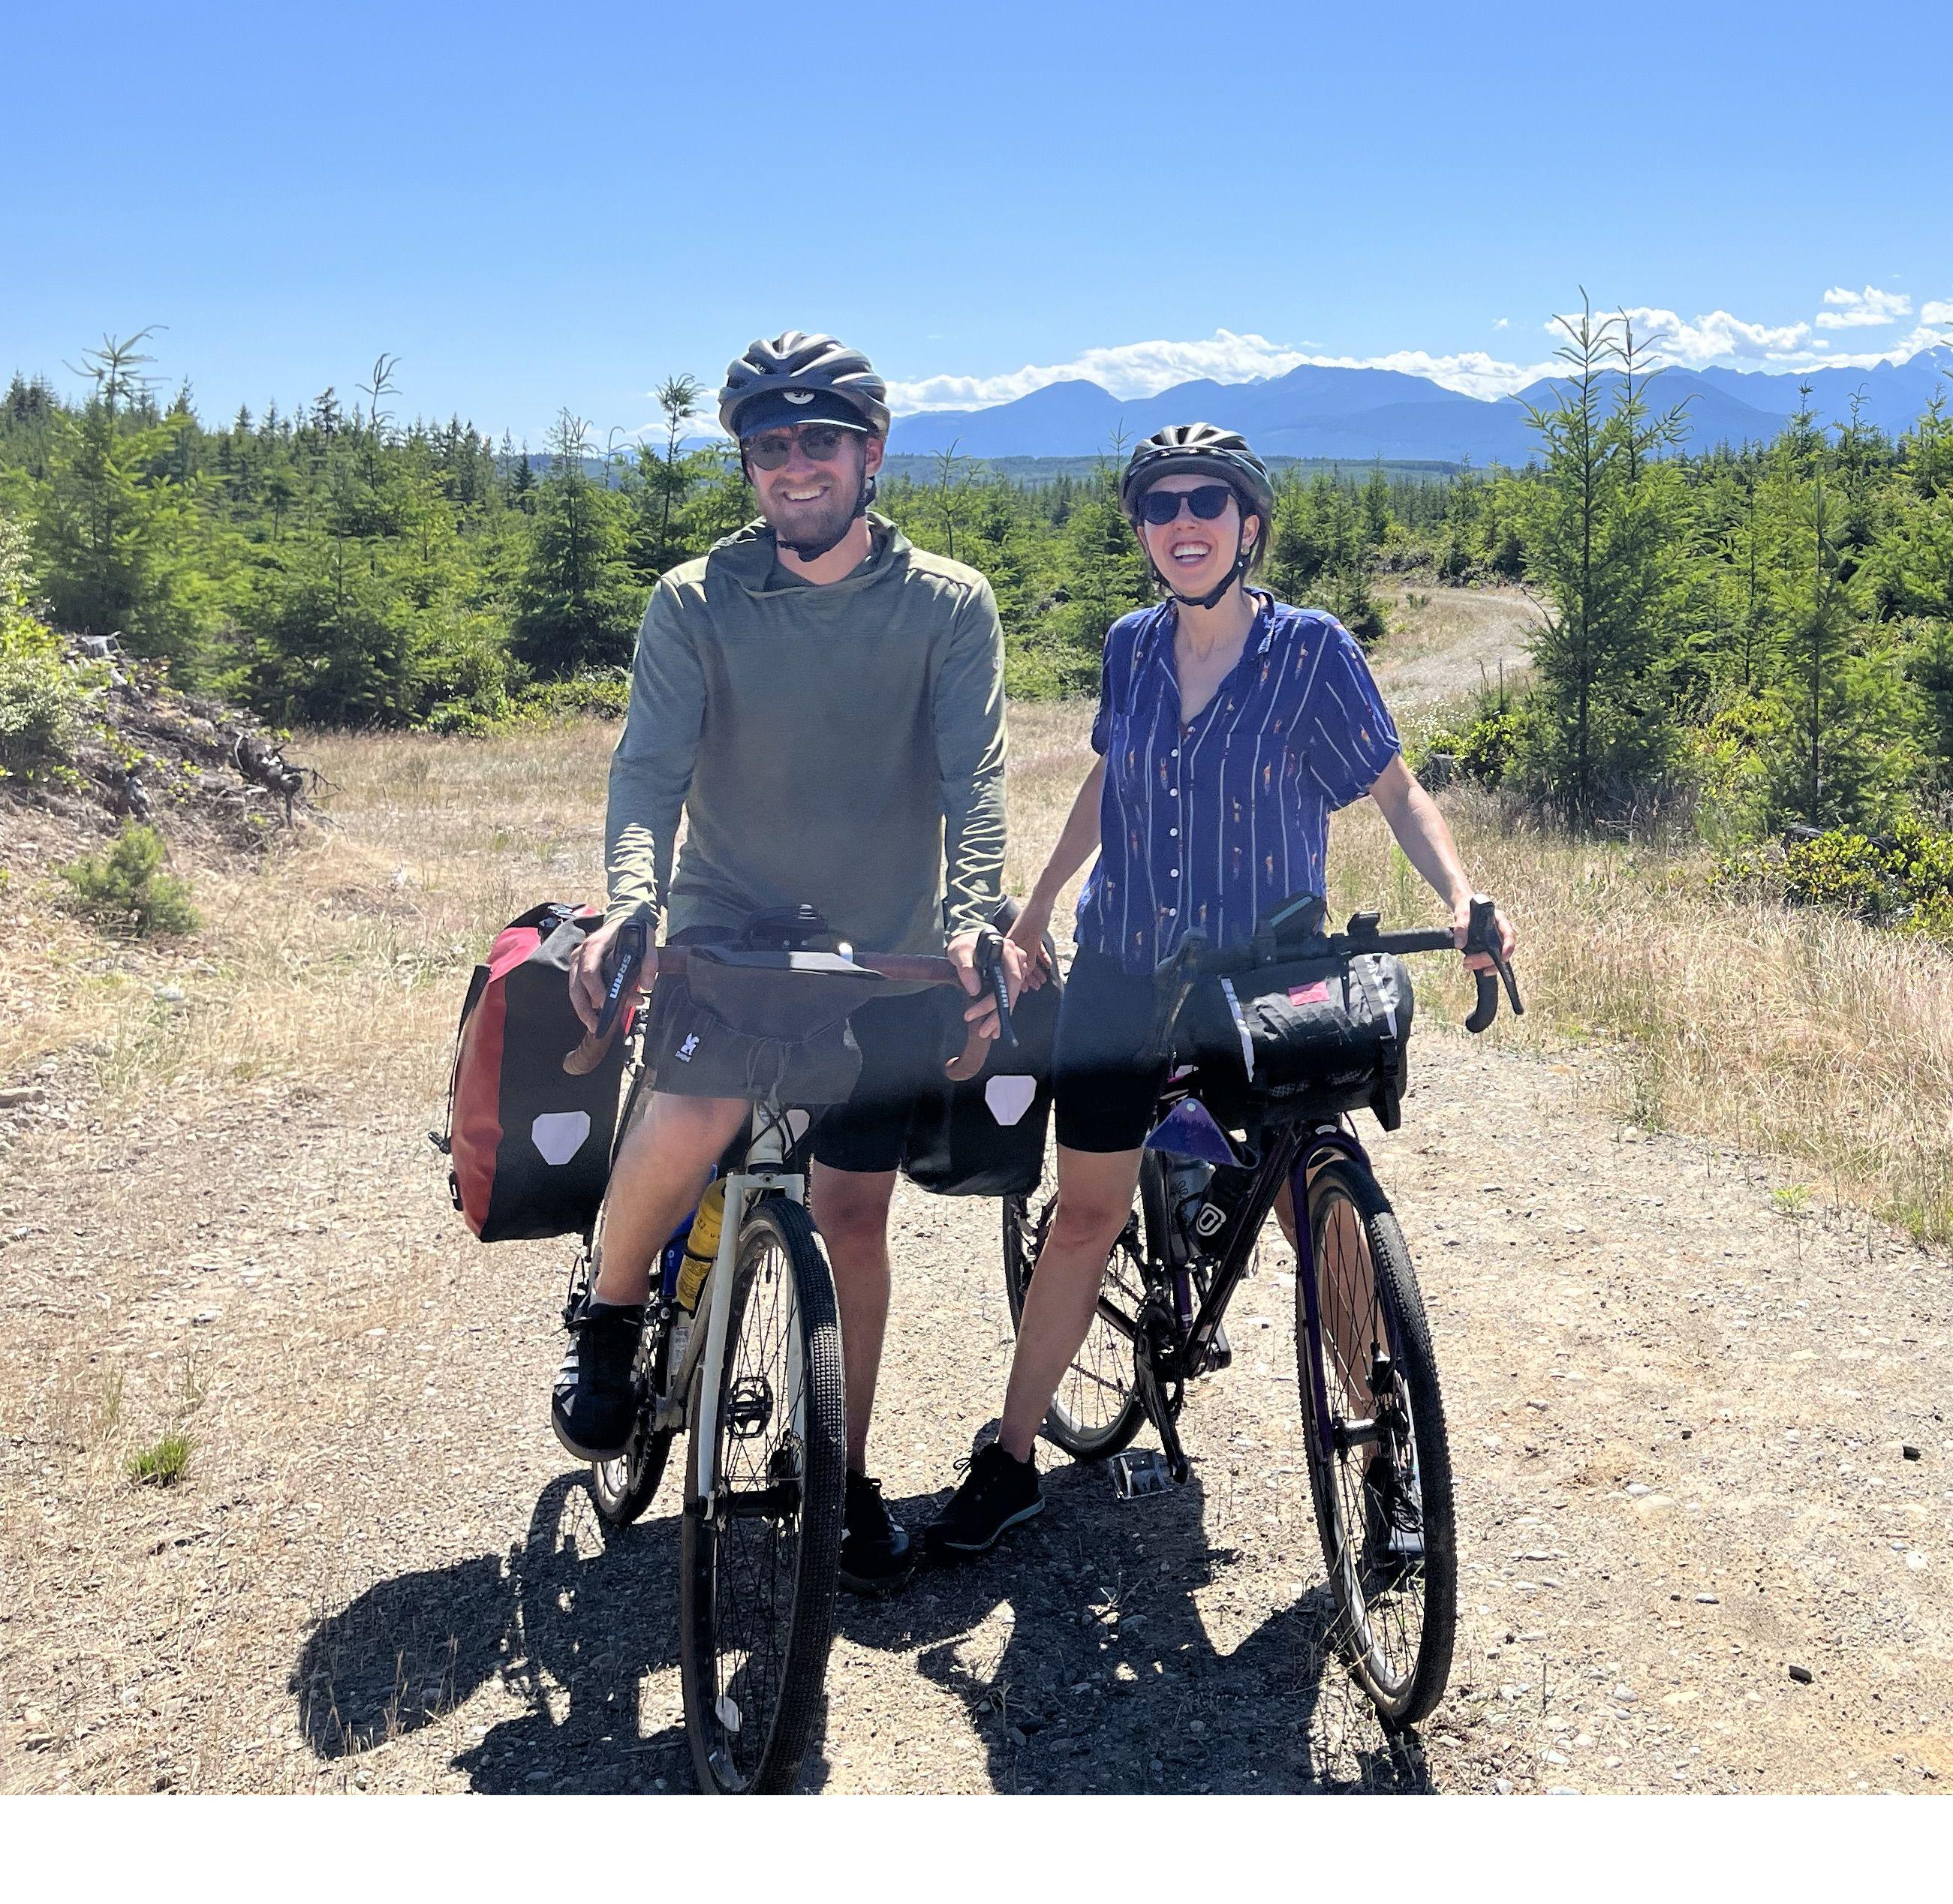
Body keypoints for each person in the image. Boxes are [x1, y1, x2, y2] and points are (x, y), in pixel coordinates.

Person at [925, 423, 1515, 1553]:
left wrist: (1459, 897)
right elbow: (1110, 777)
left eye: (1207, 503)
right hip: (1124, 964)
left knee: (1315, 1204)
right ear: (1144, 532)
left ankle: (1382, 1448)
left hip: (1263, 979)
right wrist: (1043, 905)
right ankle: (1008, 1462)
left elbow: (1395, 791)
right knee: (1087, 1214)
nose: (1183, 523)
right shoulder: (1131, 648)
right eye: (1160, 506)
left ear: (1250, 527)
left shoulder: (1312, 652)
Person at [549, 331, 1037, 1596]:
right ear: (750, 466)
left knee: (855, 1215)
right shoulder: (694, 602)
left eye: (821, 441)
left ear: (870, 455)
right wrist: (631, 904)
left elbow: (973, 778)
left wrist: (978, 913)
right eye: (770, 446)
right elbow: (648, 773)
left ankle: (842, 1478)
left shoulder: (947, 604)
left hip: (883, 953)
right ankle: (607, 1316)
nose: (794, 466)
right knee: (695, 1108)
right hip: (730, 927)